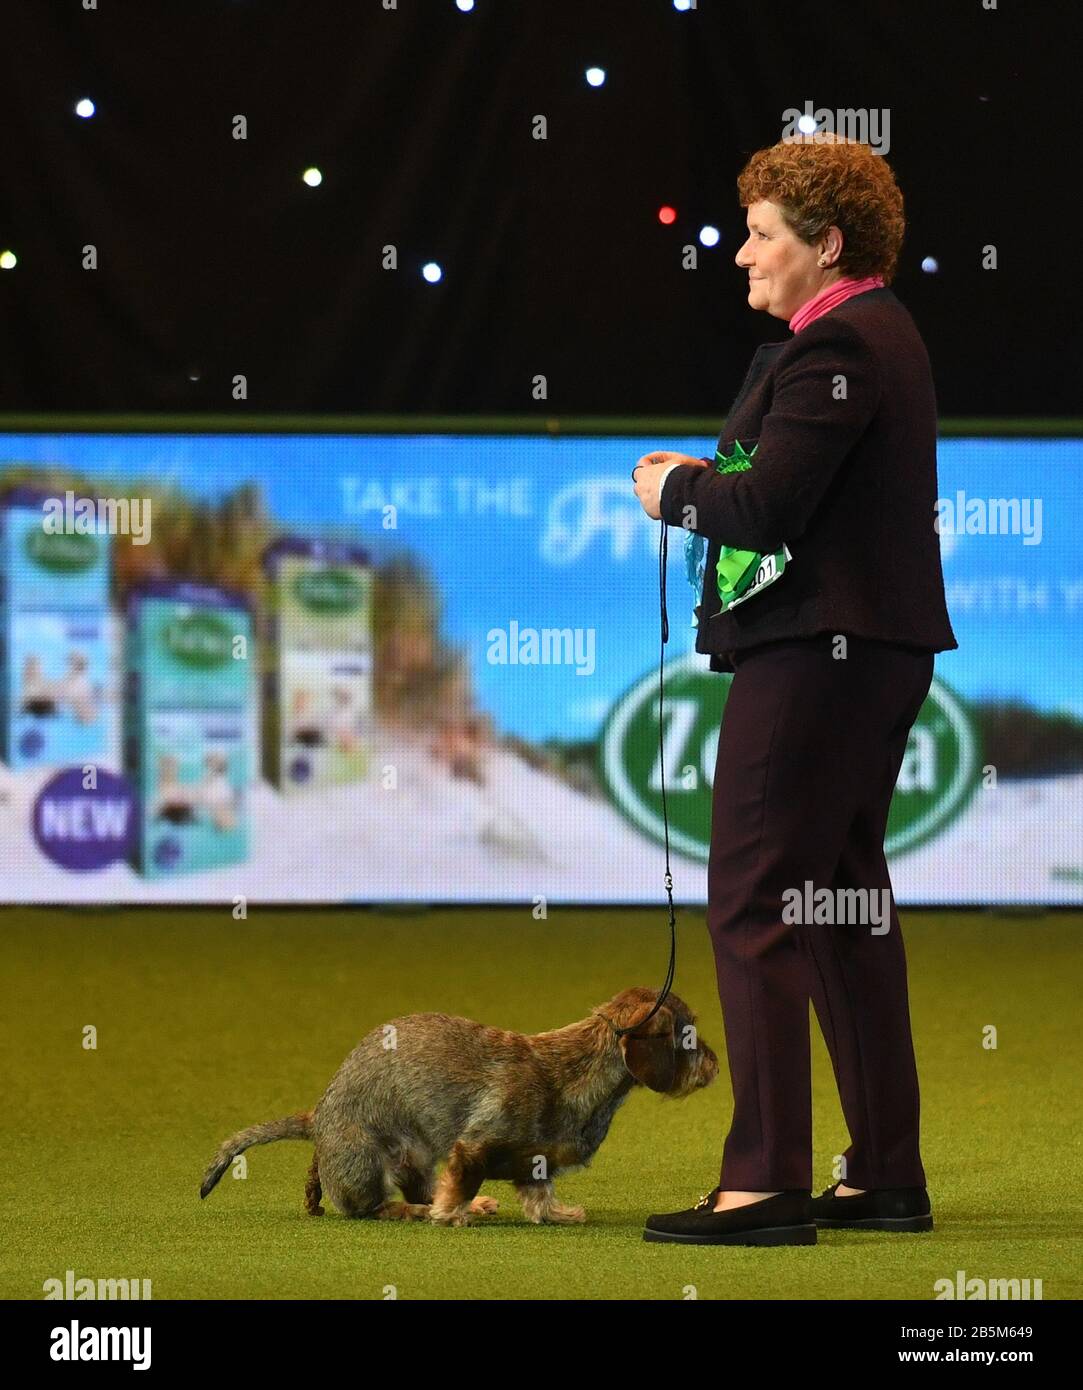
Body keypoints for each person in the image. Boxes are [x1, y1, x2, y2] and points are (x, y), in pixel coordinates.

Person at [631, 134, 957, 1246]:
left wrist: (676, 490)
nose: (741, 254)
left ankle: (764, 1181)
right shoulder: (876, 333)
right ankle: (882, 1175)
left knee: (756, 900)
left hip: (818, 655)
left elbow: (766, 508)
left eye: (762, 234)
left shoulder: (842, 344)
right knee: (839, 906)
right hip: (867, 655)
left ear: (827, 243)